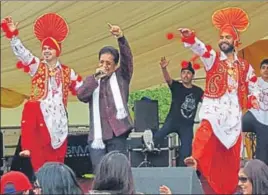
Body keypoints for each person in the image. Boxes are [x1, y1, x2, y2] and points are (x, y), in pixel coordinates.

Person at [178, 7, 260, 194]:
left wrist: (253, 97)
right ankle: (195, 158)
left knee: (231, 153)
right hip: (214, 108)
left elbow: (253, 81)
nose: (223, 40)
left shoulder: (244, 66)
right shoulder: (214, 59)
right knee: (205, 129)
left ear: (235, 41)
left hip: (233, 114)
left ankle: (228, 188)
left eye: (227, 37)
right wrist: (191, 38)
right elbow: (203, 51)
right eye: (221, 37)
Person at [1, 14, 83, 172]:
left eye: (49, 48)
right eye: (44, 48)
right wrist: (13, 36)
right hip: (41, 117)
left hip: (59, 120)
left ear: (57, 50)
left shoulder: (67, 72)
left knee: (57, 161)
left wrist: (99, 80)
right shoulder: (37, 66)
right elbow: (23, 54)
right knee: (31, 105)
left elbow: (82, 87)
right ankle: (28, 148)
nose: (45, 51)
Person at [77, 23, 133, 171]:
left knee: (117, 172)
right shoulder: (92, 80)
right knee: (100, 173)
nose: (105, 66)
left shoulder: (122, 76)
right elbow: (81, 95)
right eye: (102, 62)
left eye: (109, 63)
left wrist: (121, 38)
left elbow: (127, 59)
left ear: (115, 66)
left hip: (117, 133)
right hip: (98, 136)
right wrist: (96, 78)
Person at [143, 57, 203, 166]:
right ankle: (150, 135)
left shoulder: (198, 91)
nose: (185, 75)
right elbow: (168, 80)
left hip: (187, 125)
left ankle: (181, 172)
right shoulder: (177, 86)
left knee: (186, 151)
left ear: (192, 76)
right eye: (183, 72)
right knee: (159, 136)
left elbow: (207, 102)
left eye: (188, 73)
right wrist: (164, 69)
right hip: (172, 120)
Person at [242, 59, 268, 165]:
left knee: (262, 154)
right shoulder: (254, 81)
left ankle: (260, 173)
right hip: (252, 116)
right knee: (233, 126)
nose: (266, 70)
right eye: (264, 67)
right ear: (260, 70)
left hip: (265, 121)